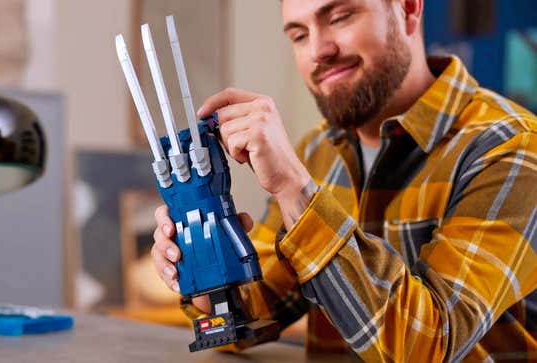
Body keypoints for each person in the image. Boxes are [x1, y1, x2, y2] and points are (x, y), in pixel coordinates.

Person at [151, 0, 537, 361]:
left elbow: (428, 345)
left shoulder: (512, 147)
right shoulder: (317, 151)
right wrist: (200, 264)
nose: (319, 50)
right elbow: (254, 313)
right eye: (299, 35)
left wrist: (295, 189)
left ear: (408, 9)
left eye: (339, 17)